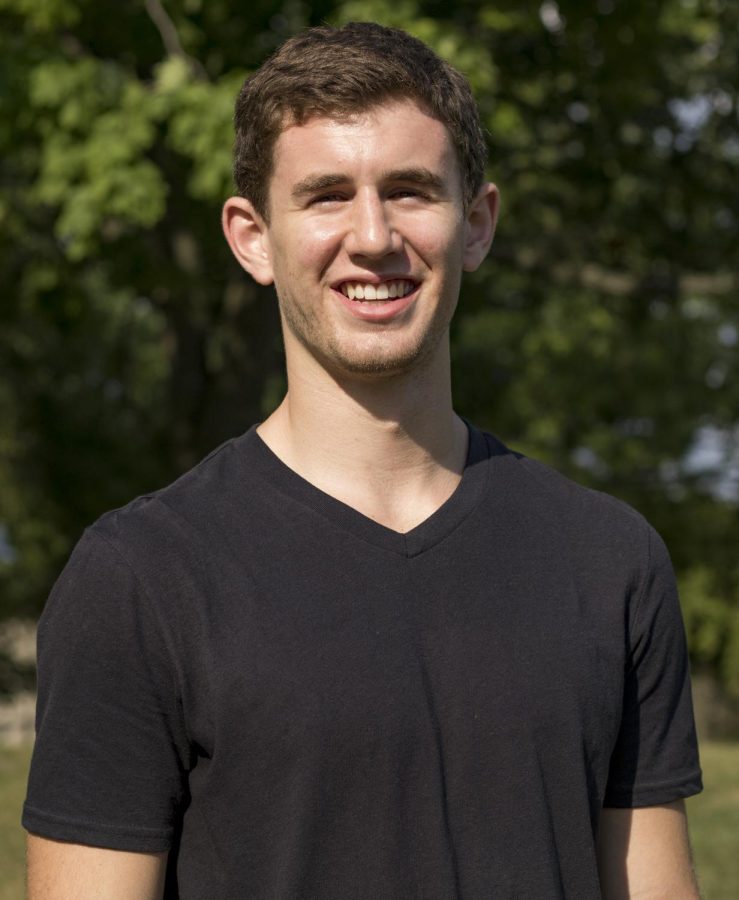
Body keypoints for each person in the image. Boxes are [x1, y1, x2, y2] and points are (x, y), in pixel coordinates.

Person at [24, 21, 702, 899]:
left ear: (478, 223)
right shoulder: (141, 578)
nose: (374, 235)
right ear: (251, 236)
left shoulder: (609, 561)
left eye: (412, 190)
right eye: (326, 195)